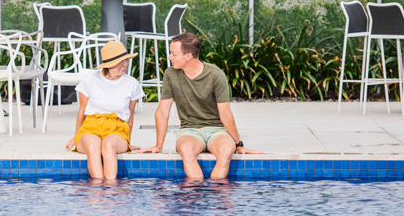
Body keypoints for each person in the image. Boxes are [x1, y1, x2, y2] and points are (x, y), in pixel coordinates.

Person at [139, 33, 262, 179]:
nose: (170, 57)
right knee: (185, 149)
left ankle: (215, 195)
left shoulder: (216, 74)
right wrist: (158, 145)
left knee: (226, 150)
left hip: (217, 130)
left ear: (188, 56)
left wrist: (238, 144)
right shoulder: (170, 74)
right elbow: (162, 112)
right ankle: (196, 195)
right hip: (189, 130)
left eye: (174, 54)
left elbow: (225, 114)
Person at [65, 41, 145, 179]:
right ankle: (97, 193)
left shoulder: (132, 83)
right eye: (120, 62)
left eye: (125, 60)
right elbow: (82, 112)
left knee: (108, 146)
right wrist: (76, 136)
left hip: (118, 128)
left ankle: (110, 193)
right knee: (93, 147)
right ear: (108, 65)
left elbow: (130, 119)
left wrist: (128, 142)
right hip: (91, 127)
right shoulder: (89, 80)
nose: (125, 64)